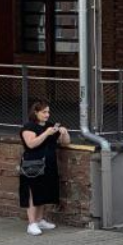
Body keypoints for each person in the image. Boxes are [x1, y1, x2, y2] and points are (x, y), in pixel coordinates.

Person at [19, 101, 71, 236]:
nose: (47, 115)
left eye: (48, 112)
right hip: (33, 163)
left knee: (44, 191)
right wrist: (46, 134)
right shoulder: (29, 127)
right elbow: (31, 144)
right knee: (33, 193)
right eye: (44, 112)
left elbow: (65, 142)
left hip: (49, 163)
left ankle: (40, 220)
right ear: (36, 112)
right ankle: (31, 223)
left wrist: (64, 133)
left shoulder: (50, 126)